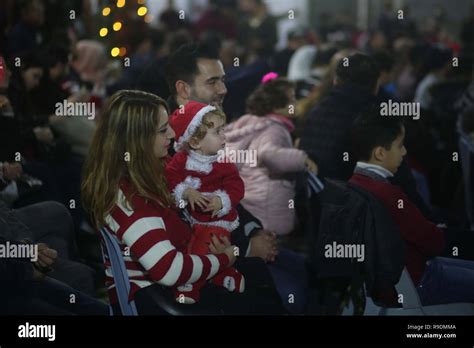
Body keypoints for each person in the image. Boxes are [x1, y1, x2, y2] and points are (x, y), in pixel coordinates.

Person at [82, 90, 285, 315]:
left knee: (257, 272)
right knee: (258, 295)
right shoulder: (130, 196)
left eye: (168, 125)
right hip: (160, 297)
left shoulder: (151, 169)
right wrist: (228, 256)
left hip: (177, 277)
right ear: (137, 140)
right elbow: (168, 269)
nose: (171, 134)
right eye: (162, 130)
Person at [165, 44, 310, 313]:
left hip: (235, 244)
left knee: (305, 271)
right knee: (292, 295)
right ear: (184, 90)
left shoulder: (212, 133)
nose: (224, 89)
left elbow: (233, 196)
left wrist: (255, 231)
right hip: (208, 272)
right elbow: (180, 225)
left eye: (223, 79)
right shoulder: (169, 143)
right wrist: (243, 248)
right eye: (213, 82)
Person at [349, 108, 474, 305]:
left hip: (391, 283)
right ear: (380, 153)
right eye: (400, 146)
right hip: (419, 281)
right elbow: (434, 243)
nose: (405, 152)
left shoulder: (354, 185)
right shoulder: (389, 194)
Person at [166, 101, 245, 303]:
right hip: (192, 220)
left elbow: (237, 187)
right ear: (194, 142)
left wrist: (221, 201)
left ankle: (190, 287)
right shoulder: (180, 160)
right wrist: (186, 192)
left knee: (201, 249)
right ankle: (226, 275)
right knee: (190, 247)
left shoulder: (223, 164)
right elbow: (170, 178)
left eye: (223, 130)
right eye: (217, 132)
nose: (223, 137)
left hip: (217, 221)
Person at [225, 73, 318, 236]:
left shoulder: (255, 123)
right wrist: (301, 158)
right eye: (292, 99)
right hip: (269, 213)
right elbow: (267, 154)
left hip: (254, 205)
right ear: (276, 106)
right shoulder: (274, 129)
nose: (296, 103)